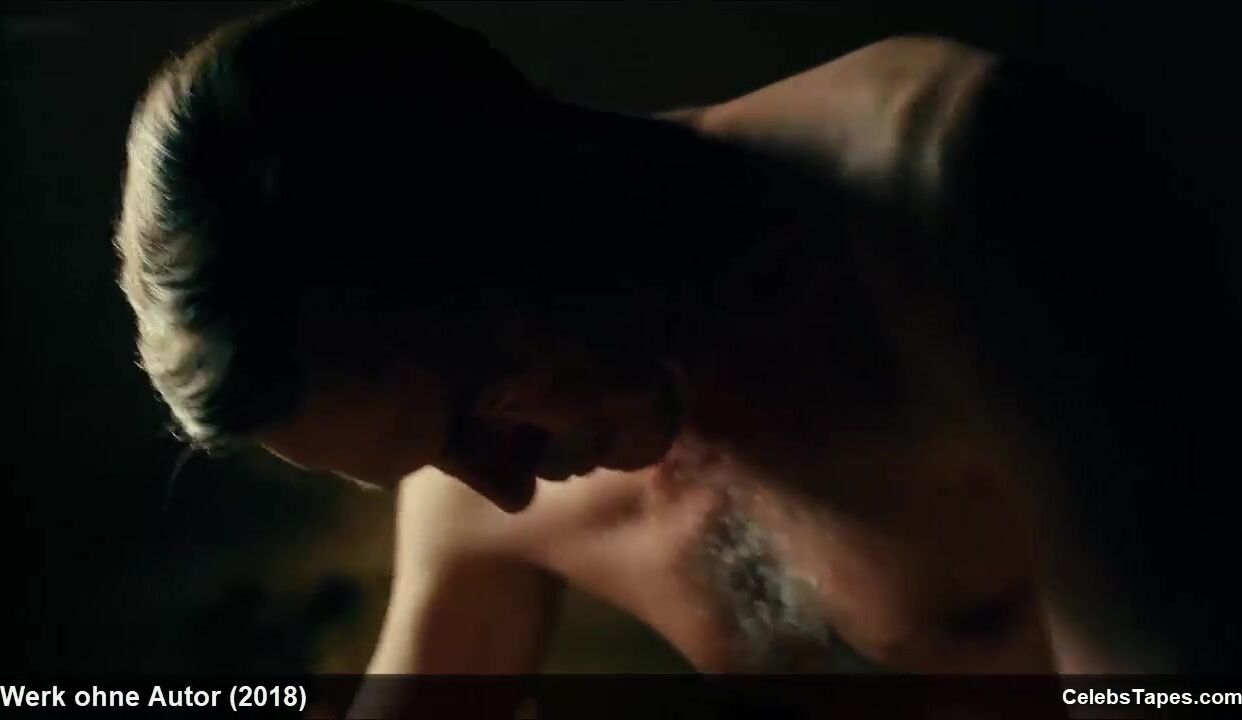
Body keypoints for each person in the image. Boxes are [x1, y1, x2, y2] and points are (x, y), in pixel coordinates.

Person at [114, 0, 1239, 688]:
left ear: (527, 215)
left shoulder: (952, 208)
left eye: (474, 417)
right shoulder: (467, 490)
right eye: (427, 462)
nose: (501, 491)